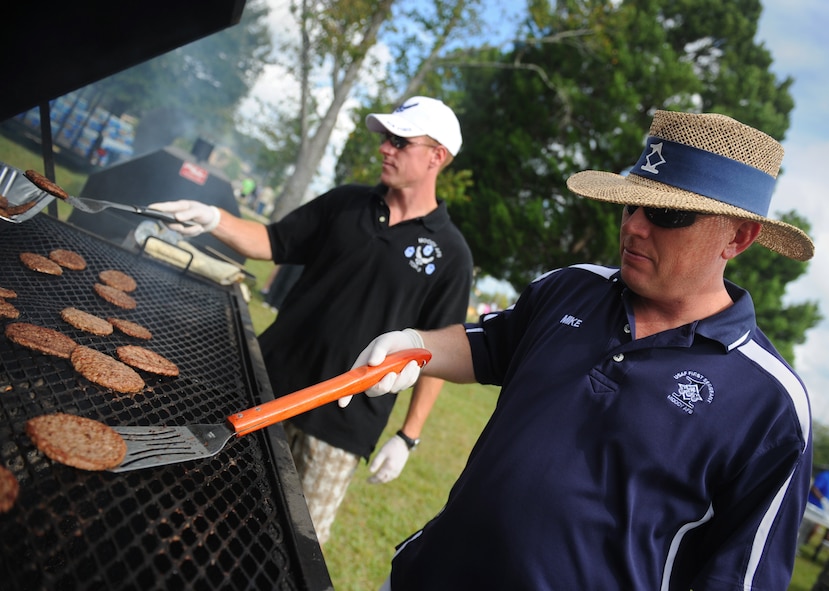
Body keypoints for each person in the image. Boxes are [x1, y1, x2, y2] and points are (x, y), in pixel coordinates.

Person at [348, 110, 815, 589]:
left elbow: (742, 577)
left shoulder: (771, 405)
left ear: (738, 235)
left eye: (666, 213)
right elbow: (489, 345)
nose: (633, 226)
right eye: (630, 205)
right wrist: (416, 344)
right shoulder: (572, 287)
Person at [149, 96, 473, 545]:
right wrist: (213, 217)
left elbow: (437, 351)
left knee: (291, 546)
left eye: (400, 140)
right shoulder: (345, 203)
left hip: (342, 426)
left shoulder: (452, 254)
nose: (384, 148)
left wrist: (408, 437)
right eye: (385, 138)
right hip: (267, 388)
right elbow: (269, 241)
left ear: (436, 156)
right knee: (203, 512)